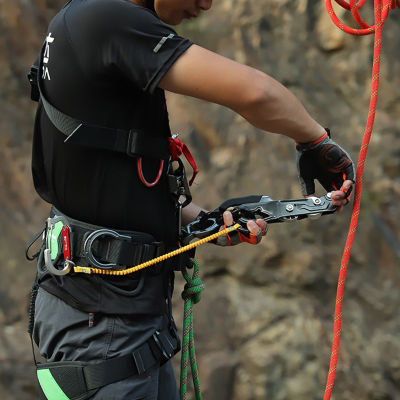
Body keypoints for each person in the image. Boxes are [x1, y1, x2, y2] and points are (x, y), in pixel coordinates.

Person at [27, 0, 354, 399]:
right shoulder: (108, 18)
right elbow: (254, 93)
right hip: (102, 324)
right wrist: (315, 140)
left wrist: (204, 222)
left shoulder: (88, 19)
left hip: (111, 316)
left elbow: (100, 178)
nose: (207, 3)